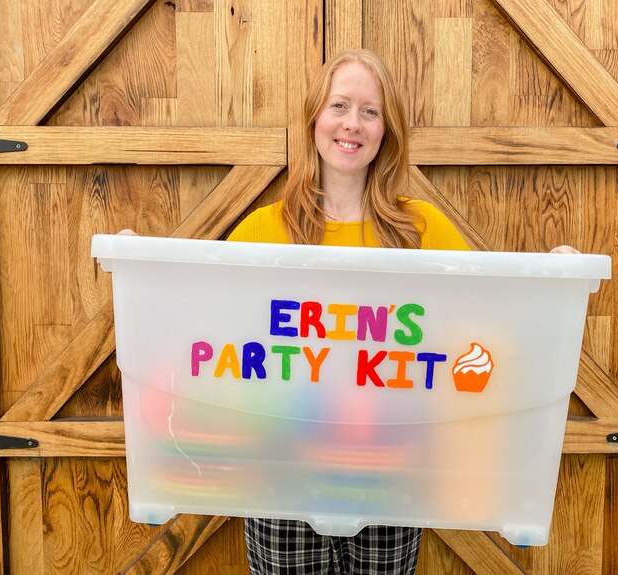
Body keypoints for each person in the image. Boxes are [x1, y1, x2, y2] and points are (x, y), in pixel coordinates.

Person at [227, 49, 469, 575]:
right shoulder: (260, 231)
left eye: (370, 111)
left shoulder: (420, 232)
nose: (352, 124)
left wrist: (555, 272)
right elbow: (205, 335)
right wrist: (140, 261)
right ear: (315, 116)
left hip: (391, 479)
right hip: (280, 481)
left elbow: (488, 314)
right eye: (340, 105)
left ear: (387, 130)